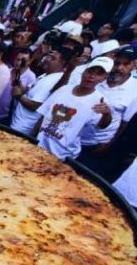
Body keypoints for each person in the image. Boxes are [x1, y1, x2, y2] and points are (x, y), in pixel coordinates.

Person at [32, 57, 113, 160]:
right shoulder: (64, 89)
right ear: (84, 72)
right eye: (90, 71)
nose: (92, 76)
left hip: (63, 156)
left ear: (104, 78)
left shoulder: (99, 100)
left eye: (98, 74)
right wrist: (32, 140)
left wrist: (107, 114)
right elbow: (43, 116)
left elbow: (101, 125)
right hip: (39, 147)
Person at [78, 47, 137, 178]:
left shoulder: (135, 90)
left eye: (126, 64)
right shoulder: (98, 78)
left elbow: (124, 124)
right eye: (117, 63)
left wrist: (107, 145)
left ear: (134, 65)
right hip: (75, 136)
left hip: (97, 144)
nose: (119, 68)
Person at [11, 47, 72, 136]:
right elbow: (30, 92)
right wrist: (21, 87)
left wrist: (19, 96)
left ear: (63, 63)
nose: (47, 59)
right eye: (48, 56)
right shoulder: (46, 75)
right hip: (17, 123)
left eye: (52, 58)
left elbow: (36, 105)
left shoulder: (54, 79)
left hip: (23, 129)